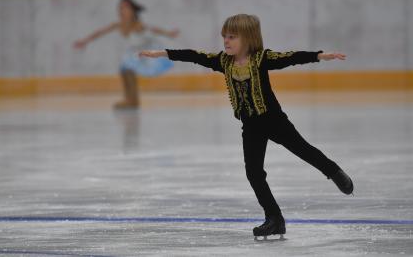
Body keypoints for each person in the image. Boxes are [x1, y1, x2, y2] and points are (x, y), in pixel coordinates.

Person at [139, 14, 353, 239]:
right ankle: (274, 218)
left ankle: (333, 171)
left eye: (232, 37)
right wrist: (164, 53)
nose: (226, 41)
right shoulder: (223, 61)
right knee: (253, 173)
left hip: (274, 121)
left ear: (248, 39)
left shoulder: (261, 59)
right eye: (224, 37)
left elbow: (290, 57)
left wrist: (318, 56)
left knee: (304, 150)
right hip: (250, 125)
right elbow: (195, 56)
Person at [74, 0, 179, 109]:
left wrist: (169, 34)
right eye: (120, 8)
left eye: (125, 8)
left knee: (128, 67)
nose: (122, 11)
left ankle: (132, 100)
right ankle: (130, 99)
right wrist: (84, 41)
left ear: (133, 11)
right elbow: (100, 32)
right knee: (125, 69)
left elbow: (153, 30)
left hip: (148, 53)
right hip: (136, 53)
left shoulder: (138, 25)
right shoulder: (119, 25)